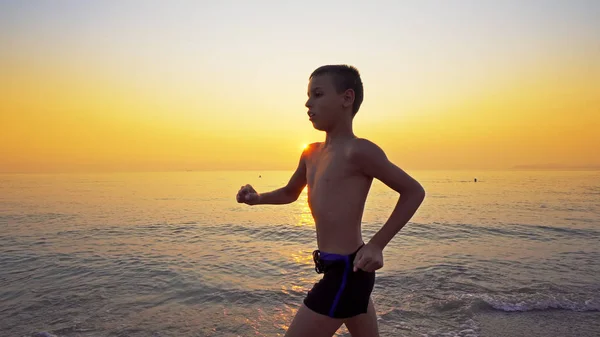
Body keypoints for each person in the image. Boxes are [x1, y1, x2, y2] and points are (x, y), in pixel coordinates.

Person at [236, 65, 426, 337]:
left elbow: (413, 191)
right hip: (342, 271)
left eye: (318, 94)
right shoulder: (310, 153)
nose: (308, 103)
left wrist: (376, 245)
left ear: (346, 98)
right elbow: (291, 193)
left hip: (348, 273)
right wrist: (257, 198)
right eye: (308, 95)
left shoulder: (359, 151)